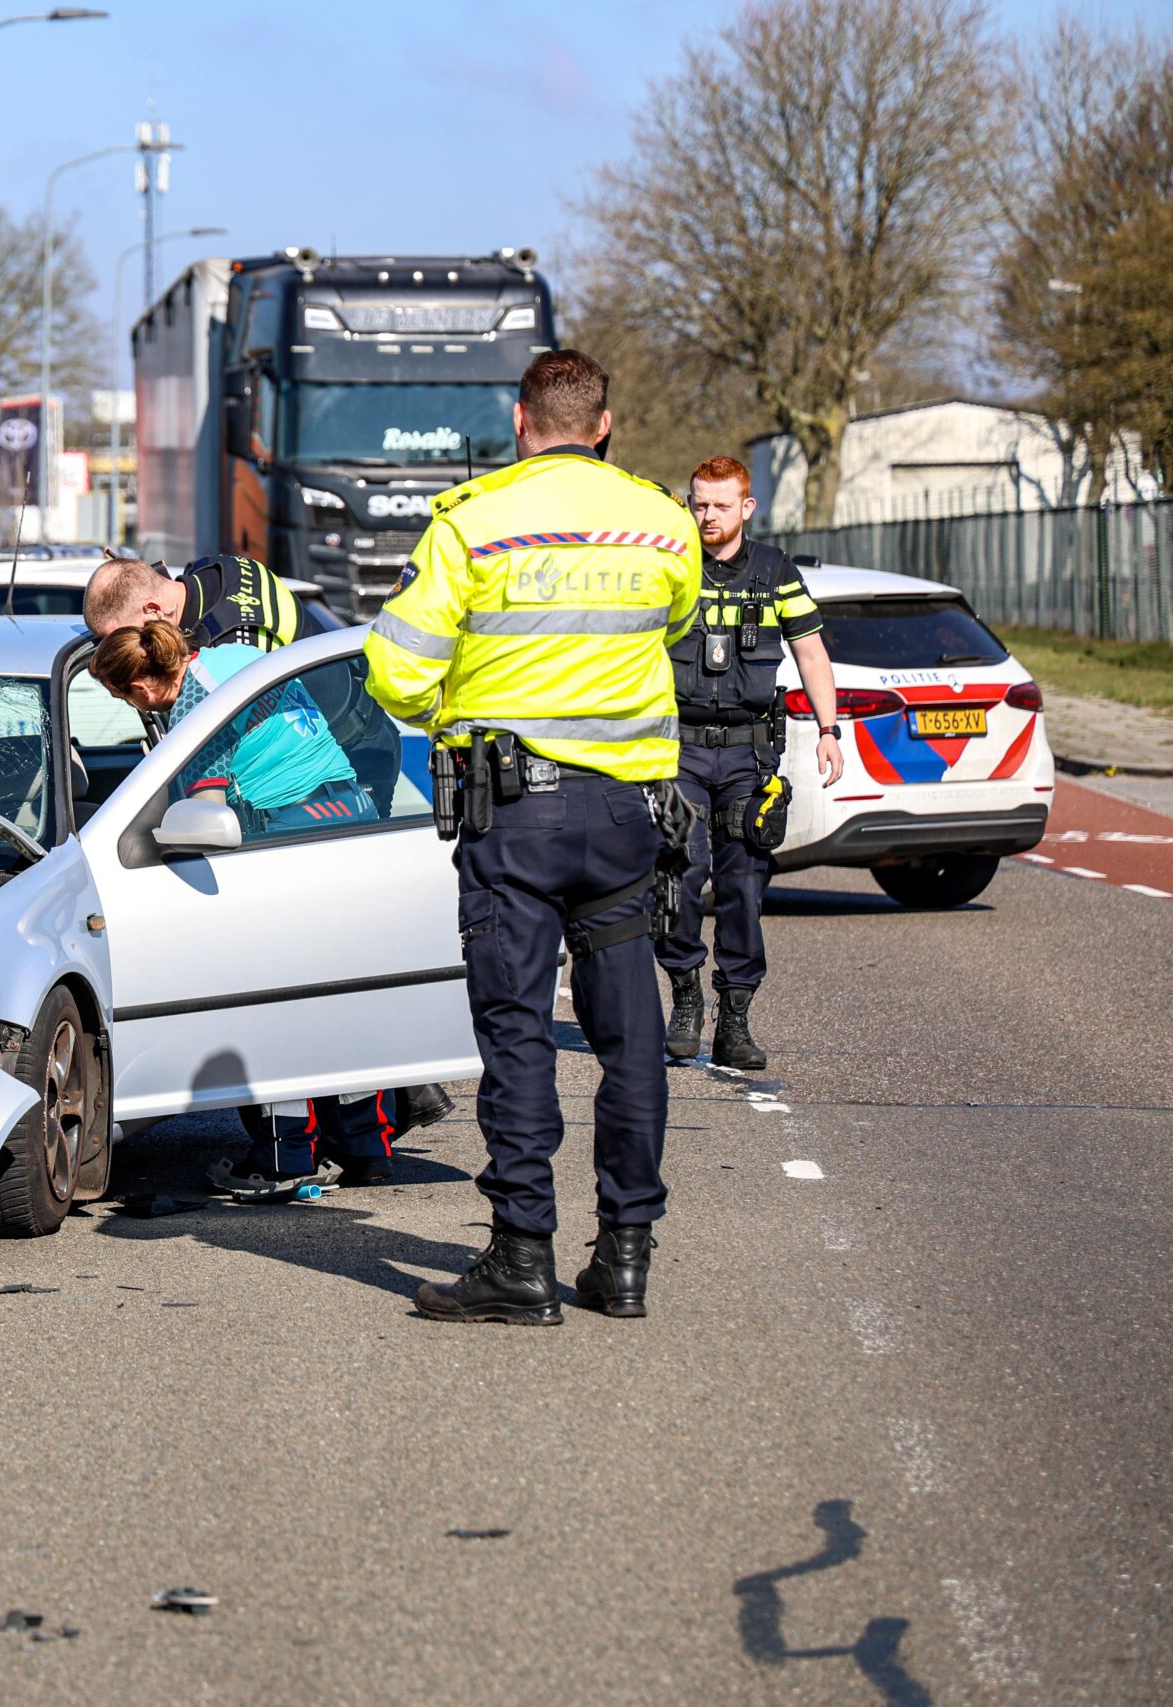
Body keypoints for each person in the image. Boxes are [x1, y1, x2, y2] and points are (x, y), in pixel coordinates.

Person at [363, 348, 702, 1324]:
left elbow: (395, 670)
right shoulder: (664, 523)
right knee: (630, 1038)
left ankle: (520, 1258)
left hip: (512, 816)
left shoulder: (471, 522)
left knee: (517, 1032)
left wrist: (458, 709)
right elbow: (674, 622)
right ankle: (625, 1259)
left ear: (519, 422)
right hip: (628, 814)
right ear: (604, 425)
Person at [92, 619, 453, 1188]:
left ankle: (284, 1158)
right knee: (344, 1001)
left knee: (272, 1009)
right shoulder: (236, 659)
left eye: (123, 699)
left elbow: (206, 815)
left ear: (139, 688)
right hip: (351, 818)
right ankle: (367, 1149)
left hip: (290, 838)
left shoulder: (196, 710)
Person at [657, 455, 841, 1070]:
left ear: (747, 507)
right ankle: (686, 998)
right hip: (678, 751)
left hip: (747, 755)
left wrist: (829, 730)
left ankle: (734, 1019)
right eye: (699, 503)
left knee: (742, 889)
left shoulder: (775, 571)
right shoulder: (671, 566)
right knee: (679, 876)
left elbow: (811, 653)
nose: (707, 515)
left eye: (719, 504)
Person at [84, 552, 302, 654]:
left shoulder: (227, 648)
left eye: (131, 636)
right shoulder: (213, 566)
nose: (131, 645)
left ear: (153, 609)